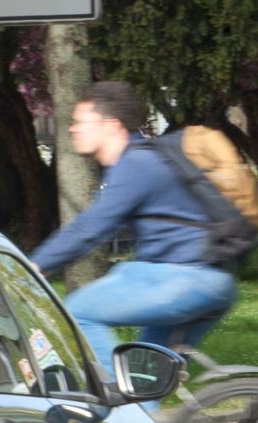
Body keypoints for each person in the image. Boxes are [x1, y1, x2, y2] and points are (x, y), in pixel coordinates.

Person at [29, 81, 237, 376]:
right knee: (143, 383)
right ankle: (137, 414)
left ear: (111, 126)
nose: (73, 129)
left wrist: (34, 267)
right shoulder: (144, 159)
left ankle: (119, 403)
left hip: (182, 280)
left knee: (78, 312)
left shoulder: (136, 164)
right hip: (211, 281)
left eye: (80, 122)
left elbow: (90, 228)